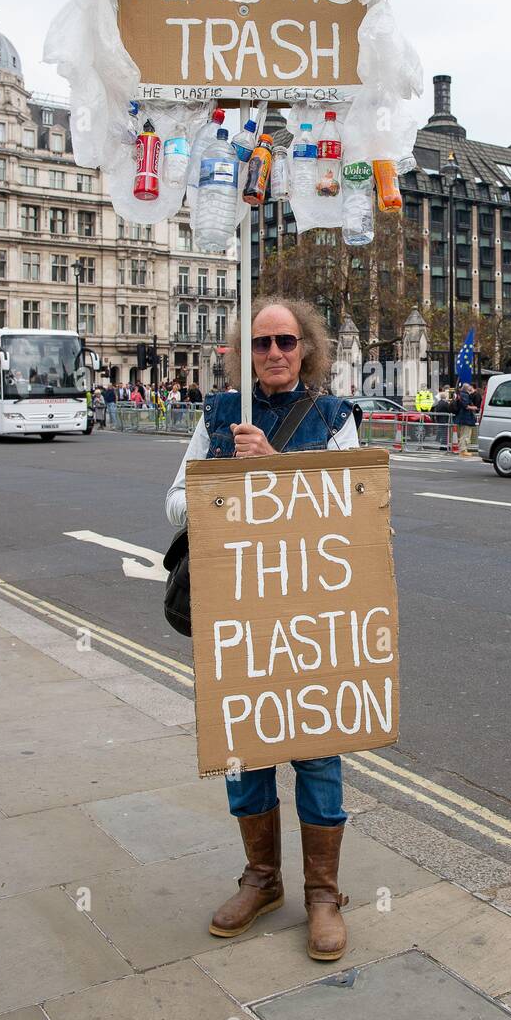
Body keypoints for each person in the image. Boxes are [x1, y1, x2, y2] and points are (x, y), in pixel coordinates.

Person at [165, 296, 359, 961]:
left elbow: (353, 514)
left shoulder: (335, 419)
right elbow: (171, 504)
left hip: (311, 615)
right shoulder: (220, 416)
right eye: (260, 343)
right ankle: (262, 880)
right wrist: (225, 475)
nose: (273, 353)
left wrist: (273, 468)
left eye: (284, 341)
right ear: (243, 352)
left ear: (305, 348)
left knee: (317, 750)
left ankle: (324, 895)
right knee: (244, 748)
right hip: (236, 613)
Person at [455, 381, 477, 456]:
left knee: (462, 434)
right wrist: (474, 407)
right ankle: (463, 451)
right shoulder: (465, 395)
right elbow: (466, 406)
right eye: (470, 387)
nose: (471, 388)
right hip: (465, 418)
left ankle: (463, 450)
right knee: (465, 434)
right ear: (467, 389)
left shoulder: (462, 394)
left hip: (462, 418)